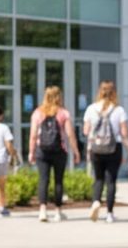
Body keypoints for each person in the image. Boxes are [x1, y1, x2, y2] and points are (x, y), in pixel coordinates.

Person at [28, 86, 80, 223]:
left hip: (42, 151)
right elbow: (70, 134)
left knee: (43, 180)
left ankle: (43, 210)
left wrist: (31, 152)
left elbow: (33, 135)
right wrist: (76, 151)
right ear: (59, 97)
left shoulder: (38, 113)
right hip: (59, 151)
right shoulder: (63, 113)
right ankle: (58, 211)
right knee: (58, 181)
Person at [82, 80, 128, 223]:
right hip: (114, 148)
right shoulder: (119, 110)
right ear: (114, 92)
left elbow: (85, 131)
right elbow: (124, 133)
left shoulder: (91, 108)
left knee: (98, 178)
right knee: (111, 181)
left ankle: (96, 201)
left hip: (96, 148)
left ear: (100, 92)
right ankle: (109, 213)